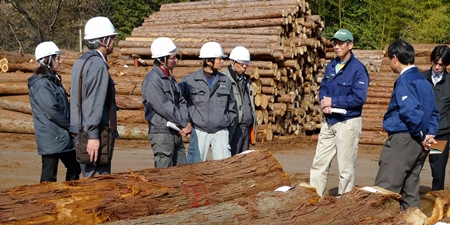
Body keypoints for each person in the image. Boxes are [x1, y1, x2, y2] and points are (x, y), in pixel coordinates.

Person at [374, 40, 440, 210]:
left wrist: (420, 135)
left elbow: (411, 112)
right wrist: (429, 135)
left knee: (385, 191)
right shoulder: (424, 81)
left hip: (404, 140)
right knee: (410, 193)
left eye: (389, 59)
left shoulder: (405, 81)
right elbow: (434, 112)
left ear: (395, 58)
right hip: (419, 144)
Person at [309, 29, 369, 198]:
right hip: (329, 121)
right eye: (335, 43)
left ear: (350, 45)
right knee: (319, 164)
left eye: (341, 43)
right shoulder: (331, 66)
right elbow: (323, 89)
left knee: (345, 169)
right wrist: (323, 102)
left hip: (347, 123)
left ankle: (345, 204)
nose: (336, 46)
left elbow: (359, 97)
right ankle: (314, 200)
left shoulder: (358, 70)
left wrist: (333, 102)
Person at [70, 16, 119, 177]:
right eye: (112, 38)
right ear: (104, 40)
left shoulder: (81, 61)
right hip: (94, 134)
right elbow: (93, 103)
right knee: (99, 188)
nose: (114, 42)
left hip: (80, 131)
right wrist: (93, 136)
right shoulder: (98, 66)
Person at [28, 41, 81, 182]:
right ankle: (45, 202)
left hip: (61, 136)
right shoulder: (41, 84)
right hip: (51, 137)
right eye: (57, 58)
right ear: (47, 59)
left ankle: (69, 197)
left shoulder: (52, 80)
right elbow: (52, 110)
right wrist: (71, 126)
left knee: (75, 168)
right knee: (49, 176)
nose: (60, 61)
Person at [179, 42, 237, 164]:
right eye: (219, 59)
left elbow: (232, 107)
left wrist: (226, 123)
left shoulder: (225, 81)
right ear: (208, 61)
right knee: (194, 168)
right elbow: (178, 102)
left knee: (224, 168)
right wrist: (186, 122)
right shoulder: (190, 81)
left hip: (220, 132)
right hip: (199, 131)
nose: (222, 61)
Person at [141, 37, 190, 168]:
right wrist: (184, 123)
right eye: (173, 58)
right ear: (162, 59)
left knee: (181, 172)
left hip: (175, 132)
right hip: (162, 133)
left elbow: (180, 101)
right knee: (164, 174)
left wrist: (184, 121)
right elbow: (164, 107)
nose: (176, 60)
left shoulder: (169, 78)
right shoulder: (153, 80)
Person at [421, 45, 450, 191]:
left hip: (440, 135)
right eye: (435, 63)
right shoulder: (421, 79)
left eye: (441, 64)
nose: (437, 67)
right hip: (419, 134)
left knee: (438, 171)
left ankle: (437, 200)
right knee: (412, 168)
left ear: (446, 64)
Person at [222, 46, 256, 155]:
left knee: (244, 160)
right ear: (232, 62)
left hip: (246, 128)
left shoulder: (246, 80)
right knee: (232, 160)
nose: (245, 66)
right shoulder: (224, 79)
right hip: (234, 128)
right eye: (242, 64)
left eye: (246, 64)